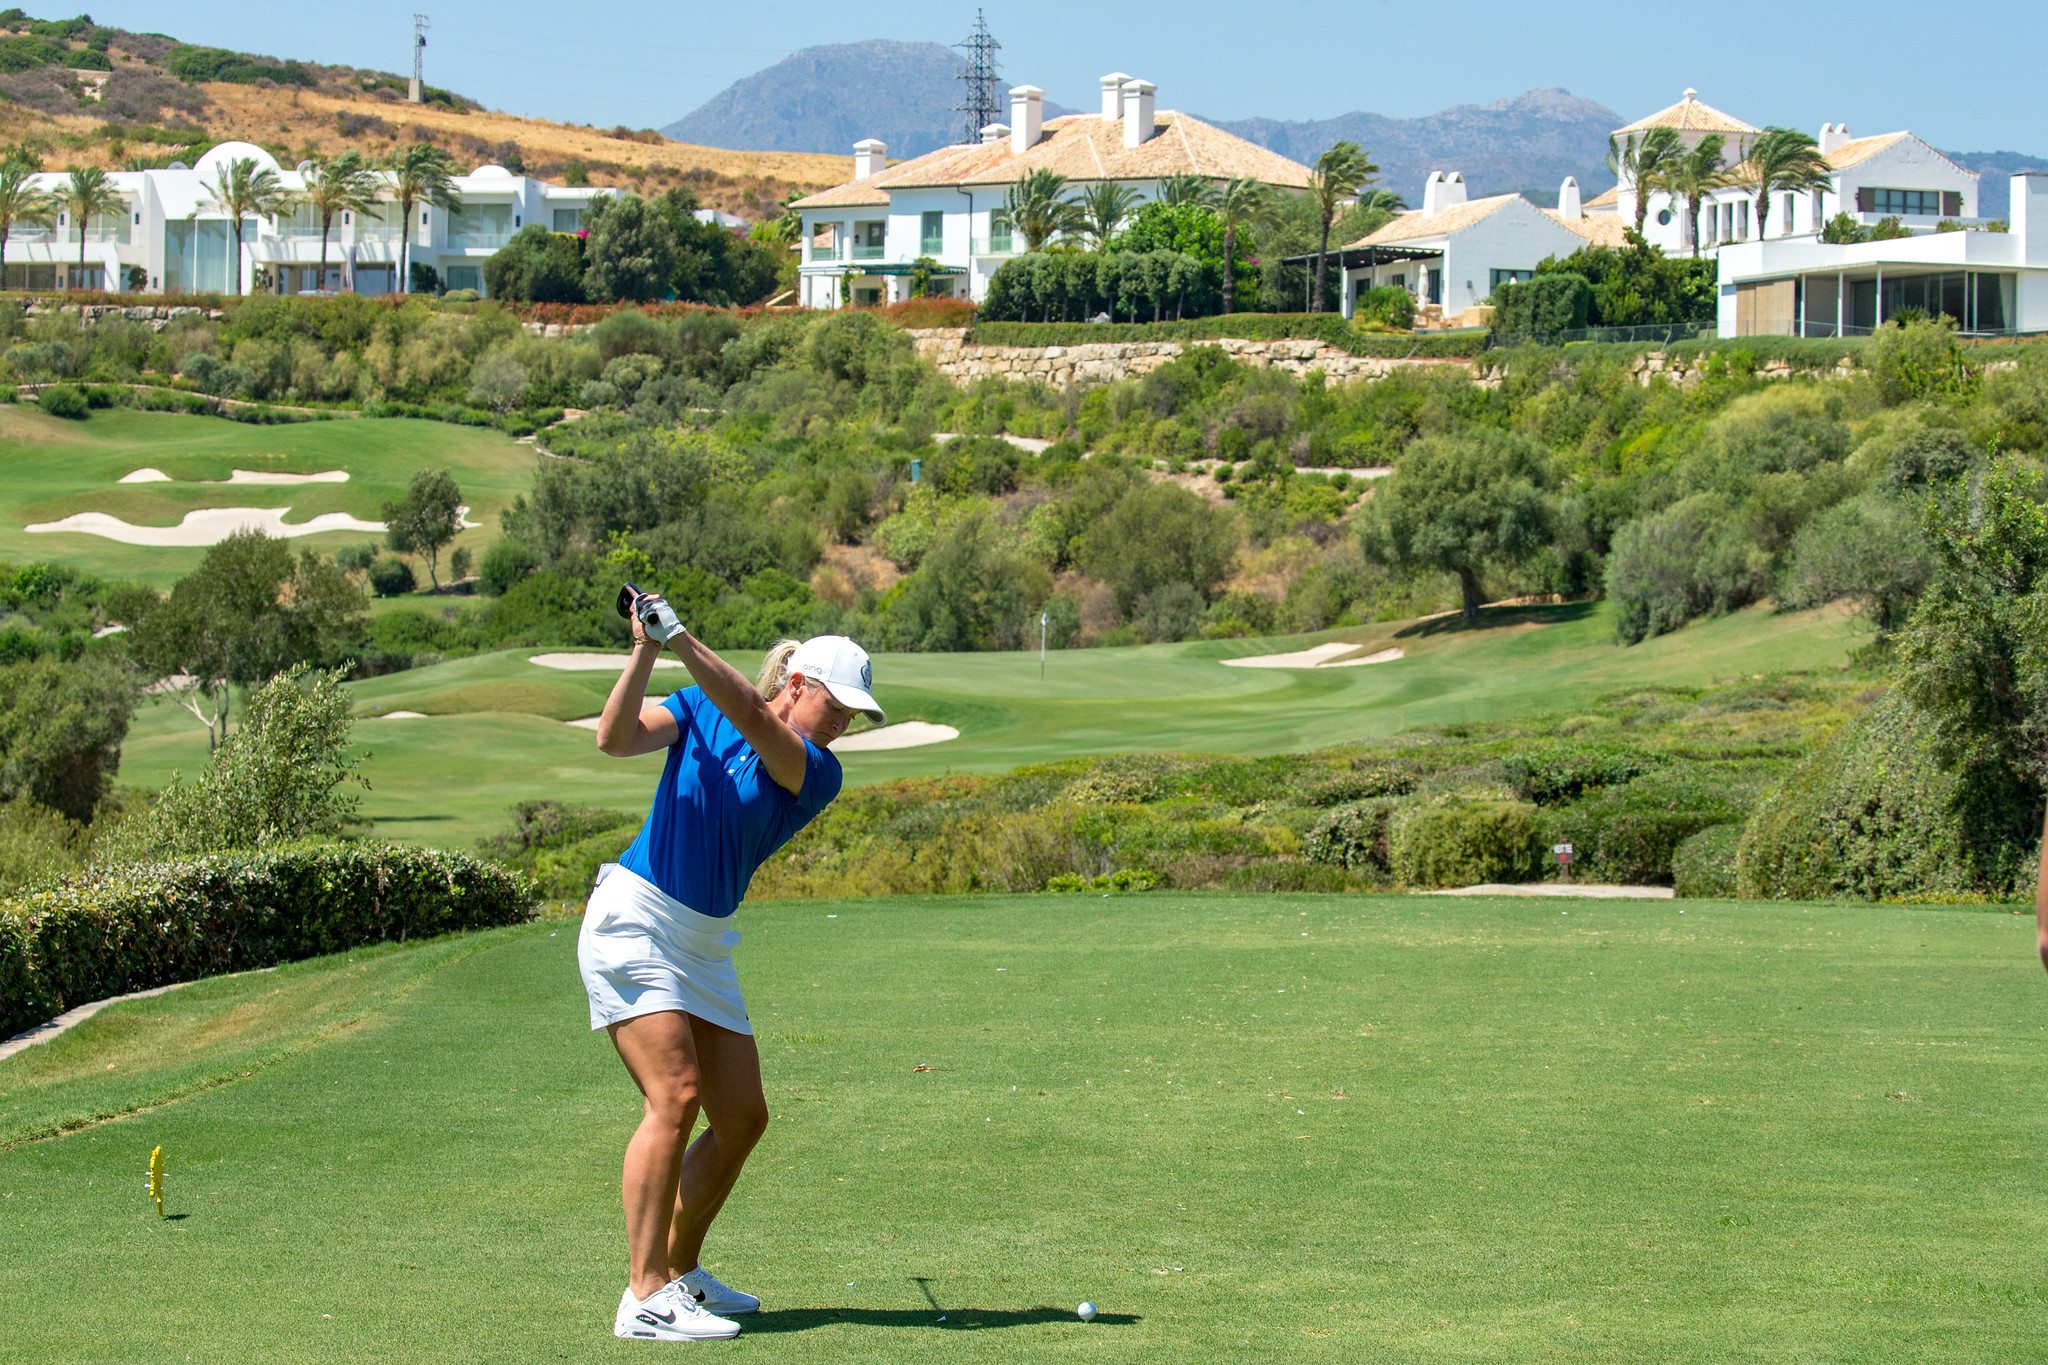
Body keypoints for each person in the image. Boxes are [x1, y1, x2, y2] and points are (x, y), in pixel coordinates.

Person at [579, 594, 882, 1342]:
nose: (842, 723)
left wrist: (681, 637)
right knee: (676, 1095)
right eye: (836, 705)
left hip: (704, 943)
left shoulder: (816, 770)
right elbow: (614, 738)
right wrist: (647, 648)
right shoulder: (695, 708)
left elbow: (749, 711)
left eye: (853, 714)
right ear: (799, 684)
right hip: (636, 916)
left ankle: (678, 1272)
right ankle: (644, 1295)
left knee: (742, 1117)